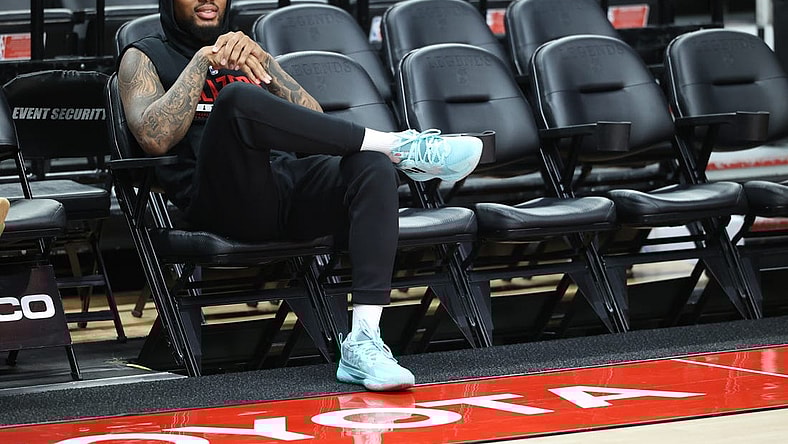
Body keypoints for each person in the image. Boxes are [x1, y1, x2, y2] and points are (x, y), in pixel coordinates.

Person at [117, 0, 482, 391]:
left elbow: (315, 120)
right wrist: (202, 62)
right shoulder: (143, 57)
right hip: (221, 202)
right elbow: (153, 138)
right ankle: (399, 147)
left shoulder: (247, 51)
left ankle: (363, 341)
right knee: (236, 101)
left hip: (284, 187)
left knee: (370, 166)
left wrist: (268, 67)